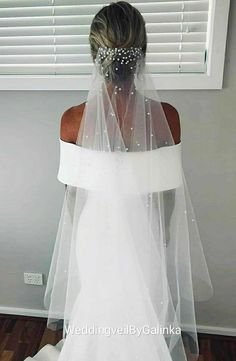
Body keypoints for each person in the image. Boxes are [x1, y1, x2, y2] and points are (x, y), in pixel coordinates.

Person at [42, 2, 213, 361]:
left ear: (94, 54)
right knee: (144, 306)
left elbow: (72, 194)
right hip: (144, 231)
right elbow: (168, 191)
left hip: (93, 233)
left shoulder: (71, 120)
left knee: (98, 303)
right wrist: (159, 234)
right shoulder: (168, 117)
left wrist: (87, 234)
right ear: (142, 53)